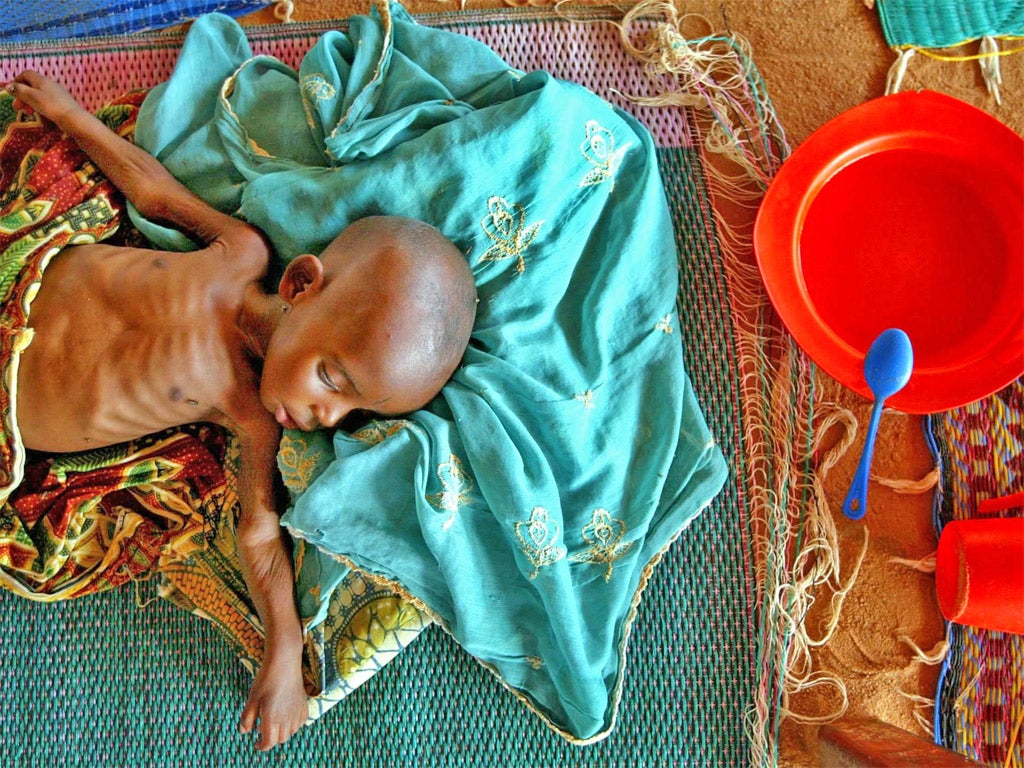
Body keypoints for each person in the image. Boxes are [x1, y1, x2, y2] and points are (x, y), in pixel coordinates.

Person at [5, 70, 477, 751]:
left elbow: (261, 537)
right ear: (301, 284)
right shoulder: (239, 253)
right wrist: (71, 117)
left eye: (346, 411)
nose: (323, 414)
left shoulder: (246, 416)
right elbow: (153, 191)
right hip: (20, 273)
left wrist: (283, 653)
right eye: (332, 377)